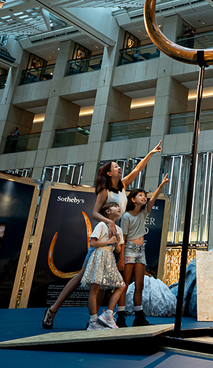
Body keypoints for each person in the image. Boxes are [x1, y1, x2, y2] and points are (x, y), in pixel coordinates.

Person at [42, 141, 163, 329]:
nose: (119, 168)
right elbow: (94, 213)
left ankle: (95, 320)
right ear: (109, 173)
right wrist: (109, 222)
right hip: (104, 234)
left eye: (119, 166)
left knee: (102, 281)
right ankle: (53, 309)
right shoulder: (104, 191)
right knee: (82, 276)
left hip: (115, 237)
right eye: (115, 166)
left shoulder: (123, 185)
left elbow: (138, 169)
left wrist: (152, 152)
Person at [117, 174, 170, 327]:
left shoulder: (143, 213)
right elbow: (123, 238)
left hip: (141, 251)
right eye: (140, 195)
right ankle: (121, 317)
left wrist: (161, 185)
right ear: (133, 199)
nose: (144, 197)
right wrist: (121, 258)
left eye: (144, 195)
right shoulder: (126, 217)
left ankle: (138, 317)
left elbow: (154, 198)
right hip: (129, 250)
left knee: (139, 285)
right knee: (125, 283)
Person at [81, 202, 126, 330]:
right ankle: (93, 321)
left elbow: (118, 250)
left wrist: (116, 241)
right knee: (94, 288)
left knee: (121, 285)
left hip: (110, 258)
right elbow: (92, 243)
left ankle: (108, 314)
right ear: (107, 211)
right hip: (99, 256)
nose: (118, 208)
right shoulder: (101, 225)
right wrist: (109, 241)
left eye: (118, 206)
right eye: (115, 206)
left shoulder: (119, 229)